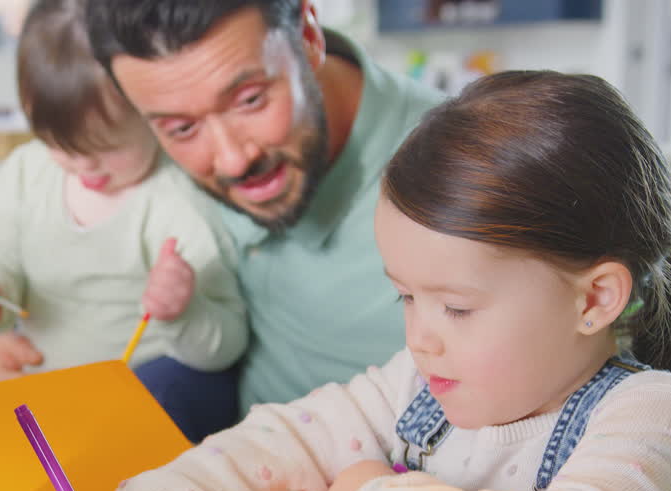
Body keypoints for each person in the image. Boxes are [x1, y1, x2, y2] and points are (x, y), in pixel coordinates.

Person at [42, 72, 671, 491]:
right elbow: (278, 446)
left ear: (593, 299)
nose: (420, 336)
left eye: (455, 306)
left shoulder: (657, 415)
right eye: (407, 298)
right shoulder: (420, 386)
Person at [85, 0, 445, 428]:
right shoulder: (163, 172)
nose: (233, 160)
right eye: (182, 129)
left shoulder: (471, 171)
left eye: (251, 100)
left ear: (309, 37)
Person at [0, 0, 247, 441]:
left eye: (106, 147)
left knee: (170, 387)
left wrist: (184, 310)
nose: (85, 166)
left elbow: (228, 343)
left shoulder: (176, 198)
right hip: (53, 388)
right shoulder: (28, 172)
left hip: (150, 392)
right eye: (61, 146)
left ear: (154, 114)